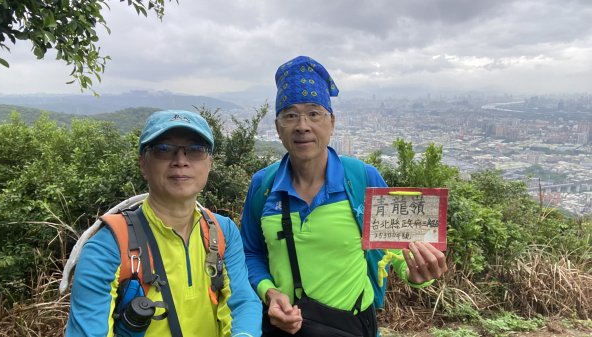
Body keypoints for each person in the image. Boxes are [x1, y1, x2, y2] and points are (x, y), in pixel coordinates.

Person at [240, 56, 448, 337]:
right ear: (278, 127)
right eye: (290, 115)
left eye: (314, 114)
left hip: (350, 326)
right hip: (284, 329)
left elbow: (396, 247)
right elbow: (251, 252)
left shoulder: (362, 179)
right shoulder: (263, 185)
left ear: (331, 122)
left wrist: (417, 272)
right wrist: (269, 292)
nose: (302, 125)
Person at [65, 110, 262, 337]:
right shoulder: (109, 246)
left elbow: (242, 302)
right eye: (164, 150)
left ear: (210, 163)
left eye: (195, 150)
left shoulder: (222, 231)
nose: (180, 161)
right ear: (143, 164)